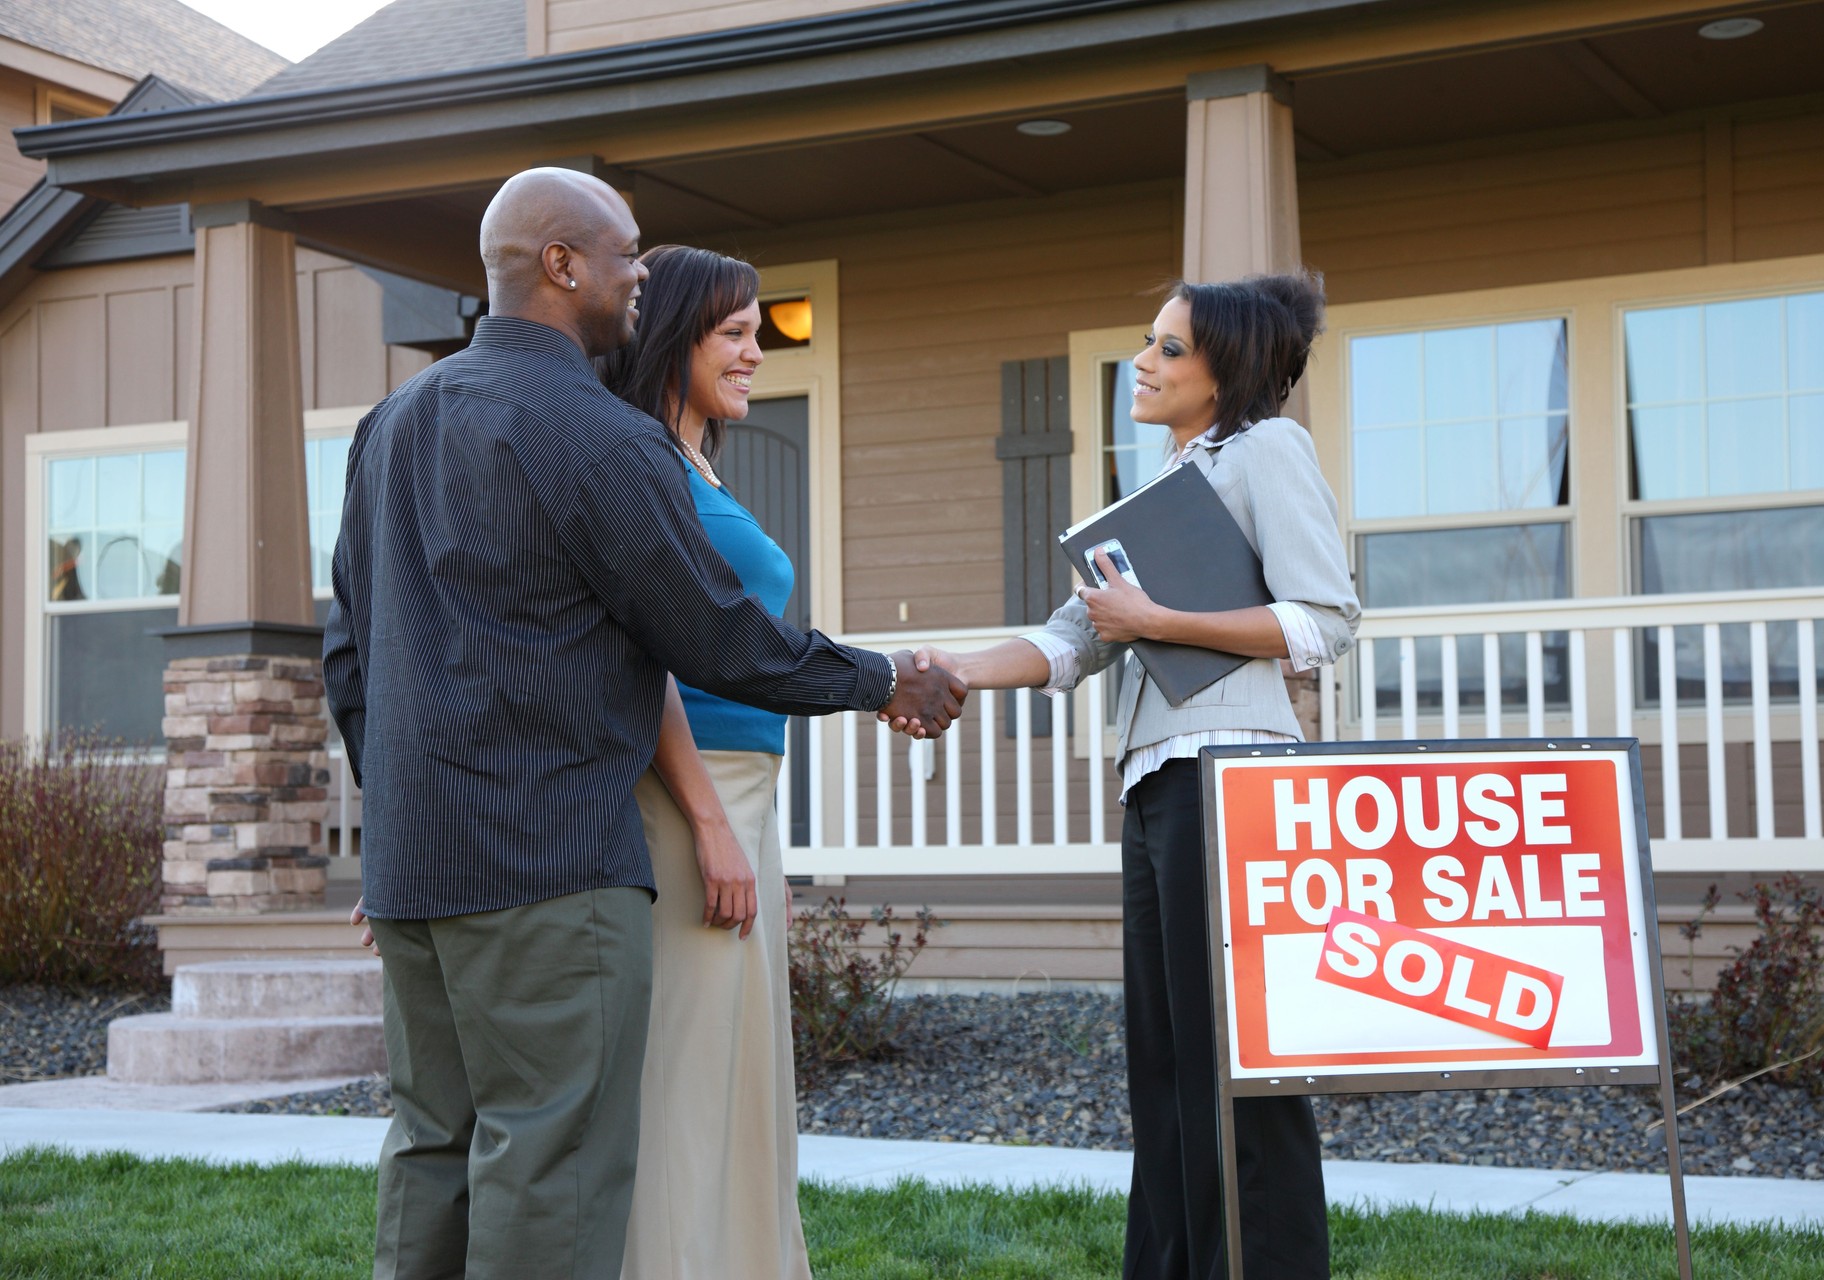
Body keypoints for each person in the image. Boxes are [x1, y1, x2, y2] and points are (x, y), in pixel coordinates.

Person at [322, 167, 965, 1280]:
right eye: (623, 254)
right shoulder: (596, 435)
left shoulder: (394, 423)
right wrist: (886, 680)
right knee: (550, 1163)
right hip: (552, 866)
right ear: (560, 265)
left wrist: (398, 818)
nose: (637, 276)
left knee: (433, 1143)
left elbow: (350, 654)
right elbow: (719, 637)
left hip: (419, 863)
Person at [906, 270, 1359, 1280]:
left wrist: (1161, 620)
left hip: (1233, 776)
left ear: (1225, 368)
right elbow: (1072, 641)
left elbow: (1323, 619)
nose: (1142, 364)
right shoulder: (1162, 488)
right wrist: (948, 669)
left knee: (1238, 1064)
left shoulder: (1266, 450)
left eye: (1168, 348)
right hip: (1158, 783)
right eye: (1146, 344)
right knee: (1165, 1064)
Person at [596, 245, 811, 1280]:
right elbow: (646, 656)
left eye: (756, 330)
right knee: (685, 1079)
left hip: (747, 791)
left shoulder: (698, 460)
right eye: (733, 332)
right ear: (673, 334)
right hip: (690, 797)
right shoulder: (642, 461)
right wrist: (710, 819)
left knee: (745, 1075)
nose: (754, 350)